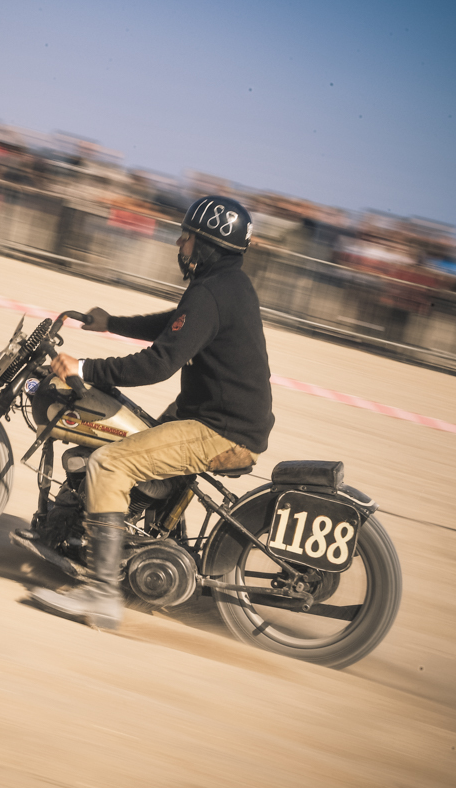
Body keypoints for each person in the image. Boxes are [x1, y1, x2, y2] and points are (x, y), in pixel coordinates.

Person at [30, 196, 275, 630]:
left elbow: (159, 364)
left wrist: (84, 368)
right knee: (128, 435)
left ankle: (101, 594)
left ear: (207, 243)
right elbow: (177, 323)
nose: (180, 243)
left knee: (109, 463)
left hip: (219, 429)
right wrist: (112, 323)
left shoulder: (212, 291)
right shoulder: (226, 285)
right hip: (213, 416)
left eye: (187, 236)